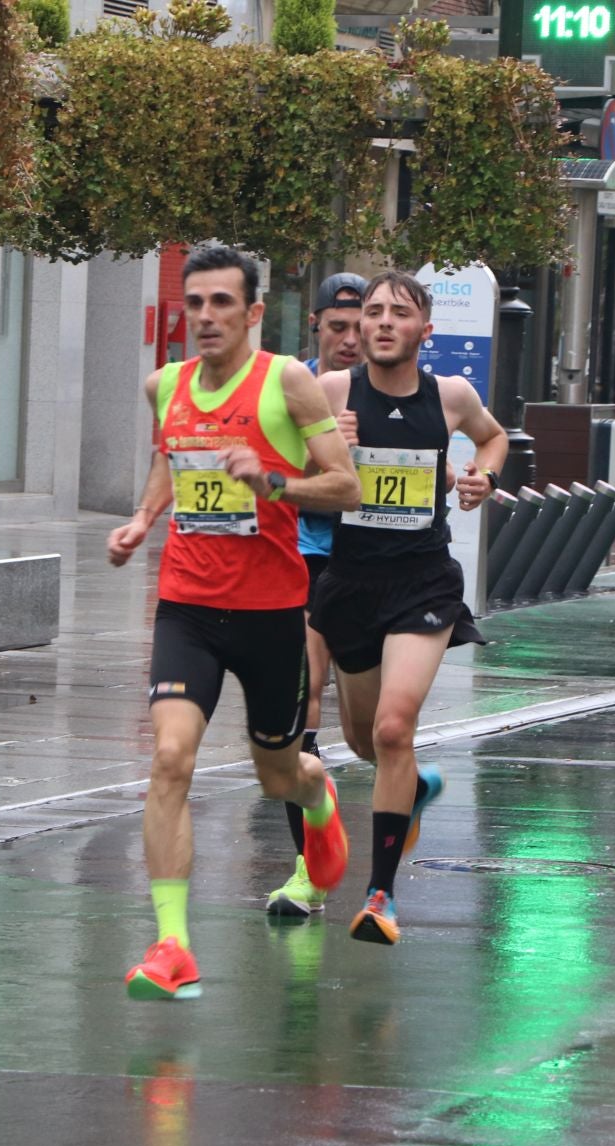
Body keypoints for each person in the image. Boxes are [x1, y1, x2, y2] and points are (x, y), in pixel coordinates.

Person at [106, 245, 362, 999]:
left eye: (223, 303)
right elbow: (171, 459)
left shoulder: (288, 385)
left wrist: (273, 480)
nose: (206, 318)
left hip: (271, 614)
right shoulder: (166, 385)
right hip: (187, 605)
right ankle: (172, 944)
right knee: (170, 760)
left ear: (254, 312)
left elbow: (345, 486)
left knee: (276, 773)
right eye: (195, 304)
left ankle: (319, 802)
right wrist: (142, 518)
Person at [292, 270, 508, 946]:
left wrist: (485, 477)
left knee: (392, 731)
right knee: (362, 741)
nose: (381, 323)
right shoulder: (331, 391)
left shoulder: (451, 396)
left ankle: (380, 895)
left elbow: (494, 436)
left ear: (425, 330)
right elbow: (288, 476)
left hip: (423, 582)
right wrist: (326, 446)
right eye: (373, 313)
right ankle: (409, 790)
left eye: (398, 313)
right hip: (351, 583)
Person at [272, 270, 367, 917]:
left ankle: (405, 787)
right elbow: (269, 472)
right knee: (298, 712)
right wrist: (325, 452)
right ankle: (307, 872)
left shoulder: (397, 391)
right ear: (317, 327)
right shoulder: (291, 390)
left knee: (377, 731)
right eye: (338, 328)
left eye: (362, 328)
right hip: (305, 560)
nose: (352, 341)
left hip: (379, 567)